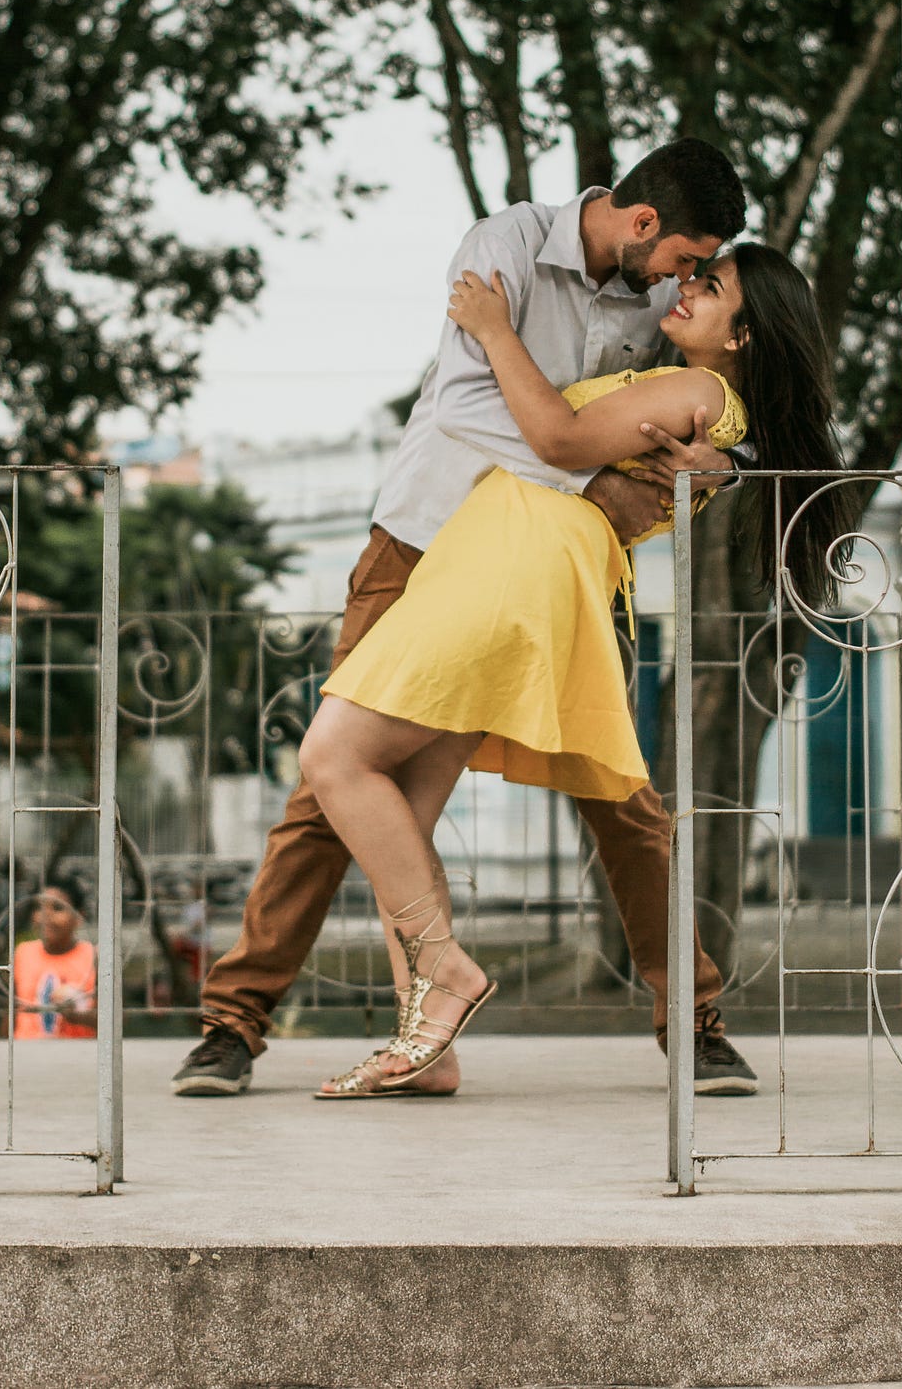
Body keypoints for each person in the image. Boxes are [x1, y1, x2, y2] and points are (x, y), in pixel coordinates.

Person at [173, 138, 758, 1100]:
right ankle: (234, 1026)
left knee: (623, 796)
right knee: (336, 791)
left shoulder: (664, 302)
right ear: (644, 223)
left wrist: (709, 469)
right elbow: (465, 407)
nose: (686, 282)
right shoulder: (506, 248)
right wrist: (594, 472)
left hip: (552, 571)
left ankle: (694, 1025)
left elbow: (695, 411)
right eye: (686, 258)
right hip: (421, 543)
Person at [297, 241, 849, 1093]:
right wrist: (732, 467)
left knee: (332, 757)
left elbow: (555, 437)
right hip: (503, 563)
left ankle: (445, 973)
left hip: (514, 572)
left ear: (742, 337)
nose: (687, 288)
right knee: (402, 807)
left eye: (712, 287)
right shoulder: (699, 398)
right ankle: (425, 1048)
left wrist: (491, 328)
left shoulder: (701, 392)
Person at [12, 881, 97, 1039]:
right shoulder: (23, 953)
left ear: (79, 917)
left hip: (76, 1054)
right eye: (39, 907)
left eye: (57, 908)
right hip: (26, 1052)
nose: (46, 915)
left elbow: (116, 1018)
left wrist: (78, 1015)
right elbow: (11, 1012)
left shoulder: (93, 956)